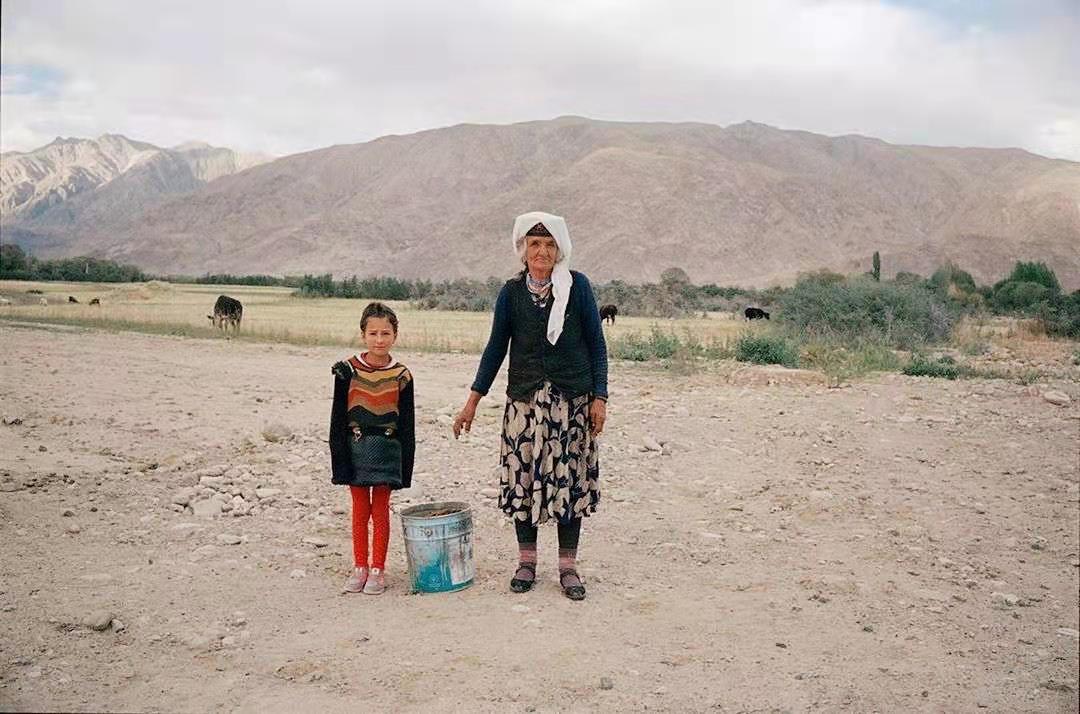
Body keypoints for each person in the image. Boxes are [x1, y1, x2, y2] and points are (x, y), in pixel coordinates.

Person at [453, 211, 608, 601]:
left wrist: (600, 397)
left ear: (560, 249)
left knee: (569, 481)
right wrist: (472, 402)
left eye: (549, 244)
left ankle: (568, 567)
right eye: (534, 244)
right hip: (524, 404)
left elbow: (597, 344)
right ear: (523, 249)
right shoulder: (511, 293)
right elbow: (495, 349)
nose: (542, 251)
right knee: (523, 481)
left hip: (571, 403)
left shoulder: (578, 287)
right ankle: (526, 562)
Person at [329, 302, 415, 595]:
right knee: (359, 510)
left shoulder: (402, 375)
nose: (379, 340)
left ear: (395, 335)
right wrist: (339, 461)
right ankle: (359, 566)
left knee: (380, 510)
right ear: (363, 335)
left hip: (388, 451)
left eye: (385, 333)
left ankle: (377, 568)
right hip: (355, 448)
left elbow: (408, 424)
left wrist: (405, 469)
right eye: (373, 333)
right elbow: (337, 418)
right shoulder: (347, 370)